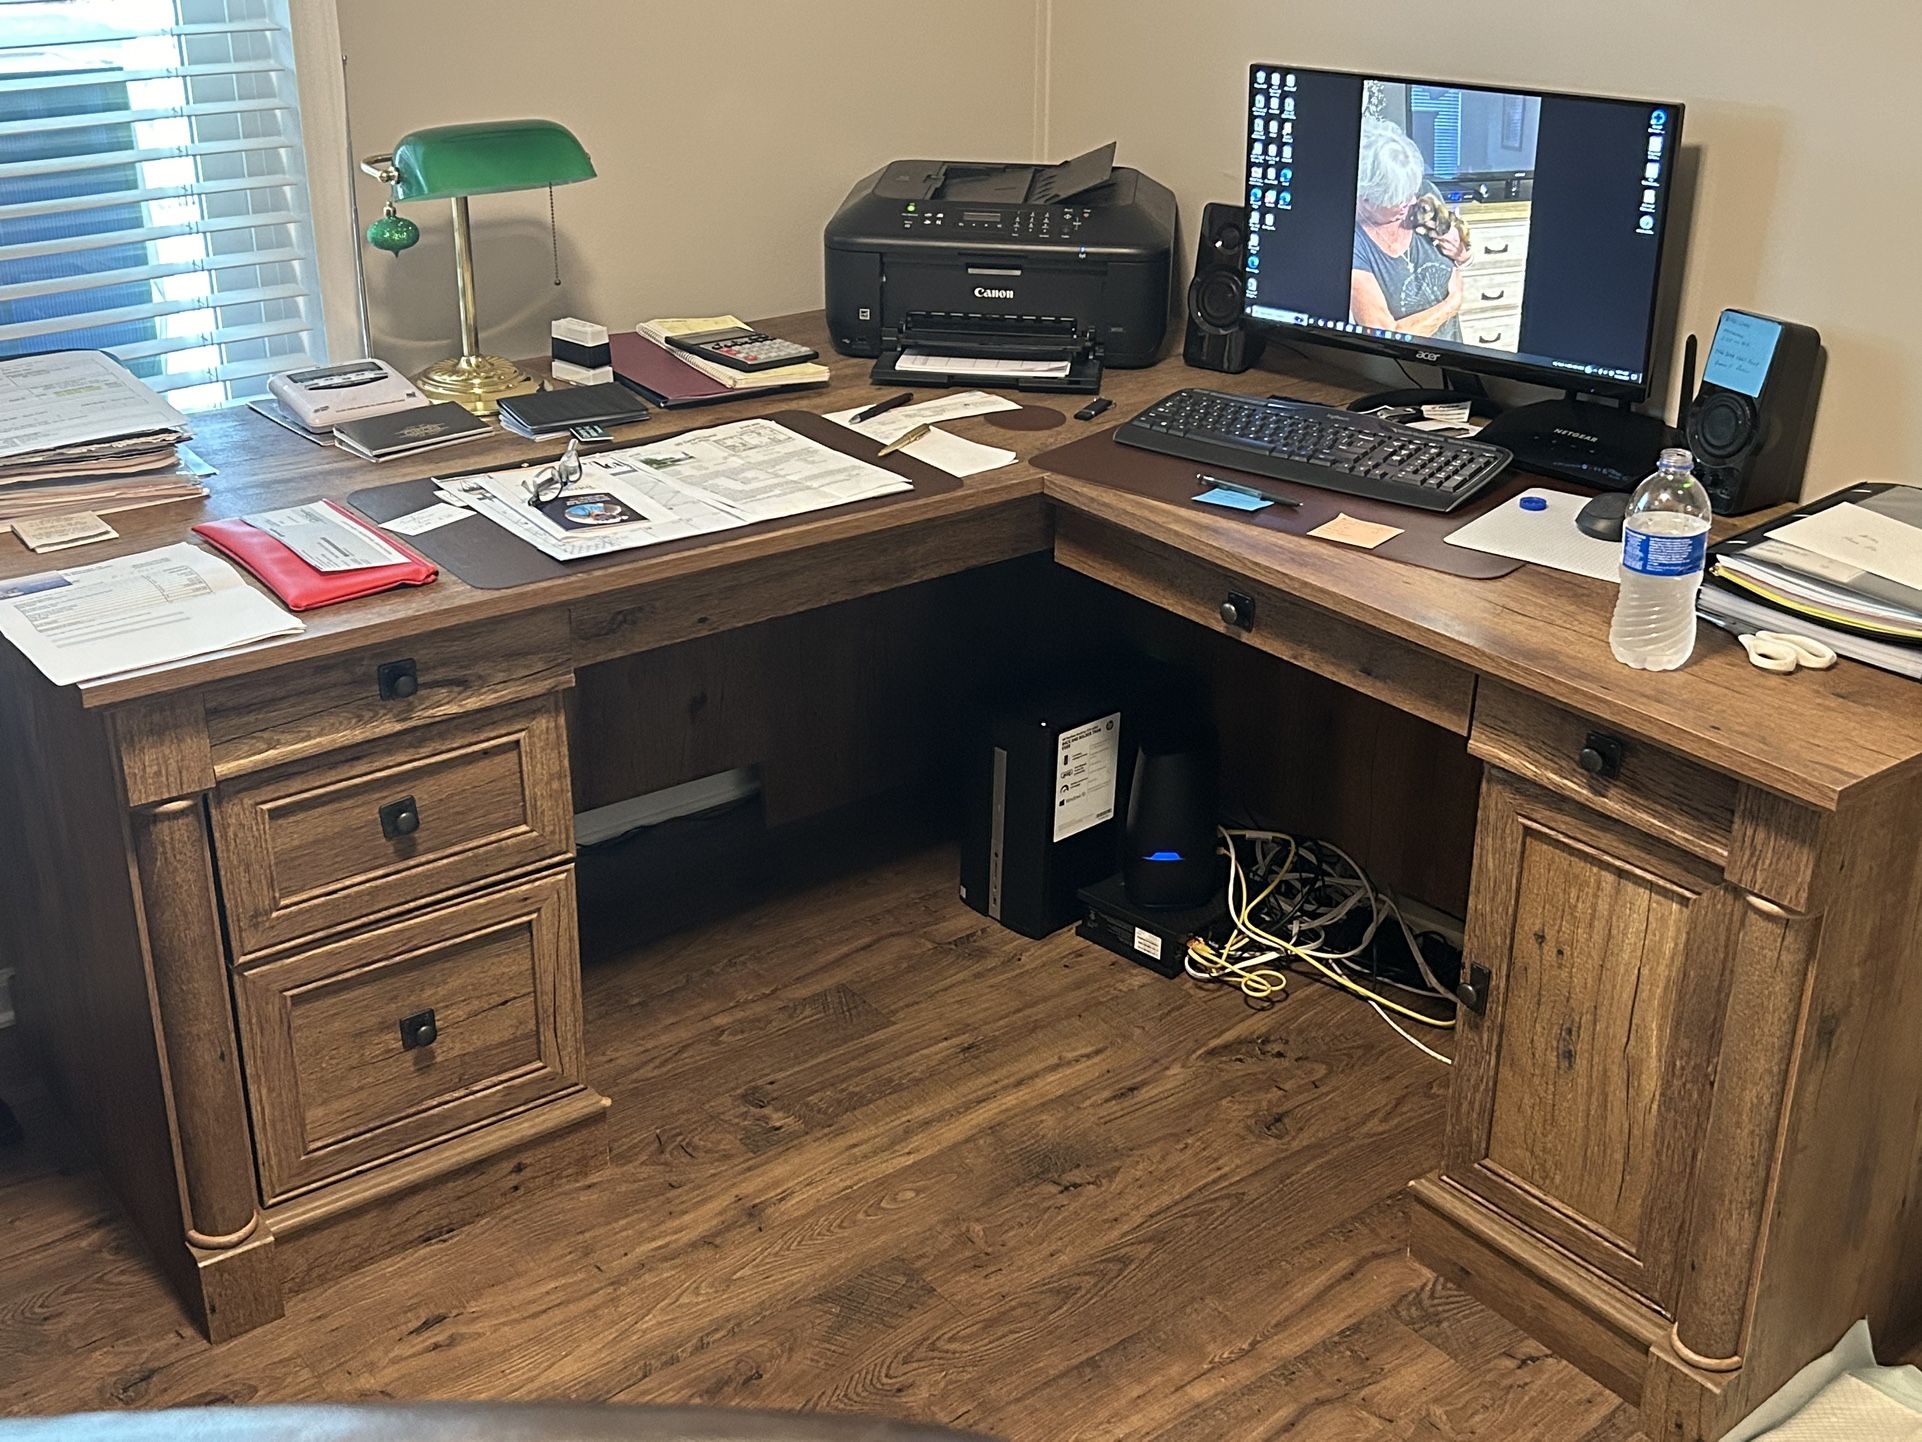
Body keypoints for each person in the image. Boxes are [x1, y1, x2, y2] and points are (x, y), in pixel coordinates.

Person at [1350, 116, 1469, 340]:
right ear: (1366, 199)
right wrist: (1452, 304)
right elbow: (1384, 334)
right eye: (1399, 200)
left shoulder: (1422, 192)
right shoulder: (1352, 243)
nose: (1413, 201)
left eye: (1411, 193)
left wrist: (1463, 254)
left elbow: (1460, 253)